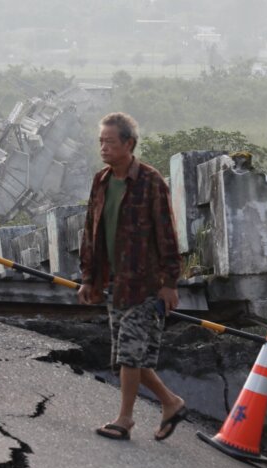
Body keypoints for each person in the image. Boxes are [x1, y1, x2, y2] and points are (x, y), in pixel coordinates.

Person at [77, 112, 187, 441]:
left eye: (110, 142)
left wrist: (170, 283)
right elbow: (90, 231)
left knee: (128, 352)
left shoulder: (151, 182)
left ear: (129, 143)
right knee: (128, 356)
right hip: (115, 282)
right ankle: (171, 402)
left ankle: (124, 419)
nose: (104, 148)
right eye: (101, 142)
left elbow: (167, 234)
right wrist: (88, 277)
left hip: (147, 285)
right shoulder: (100, 181)